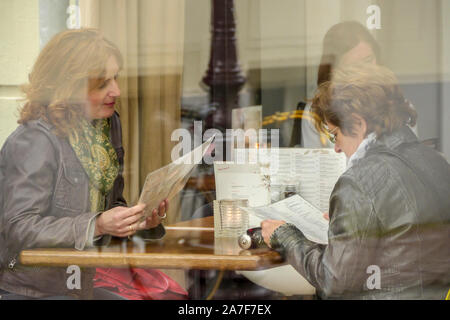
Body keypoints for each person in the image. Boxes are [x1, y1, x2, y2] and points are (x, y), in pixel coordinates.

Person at [0, 29, 170, 299]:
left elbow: (109, 207)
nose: (117, 90)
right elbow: (18, 229)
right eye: (102, 83)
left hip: (81, 284)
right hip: (33, 291)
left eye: (116, 77)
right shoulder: (34, 140)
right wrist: (99, 224)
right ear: (69, 88)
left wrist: (137, 221)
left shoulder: (107, 126)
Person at [262, 63, 450, 299]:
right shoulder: (435, 161)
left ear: (359, 124)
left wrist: (286, 236)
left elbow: (335, 282)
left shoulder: (358, 182)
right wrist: (353, 221)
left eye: (335, 135)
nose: (337, 148)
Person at [290, 21, 417, 148]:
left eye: (368, 60)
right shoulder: (315, 113)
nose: (366, 70)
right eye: (355, 65)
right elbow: (313, 163)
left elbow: (410, 157)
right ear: (335, 71)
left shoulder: (397, 104)